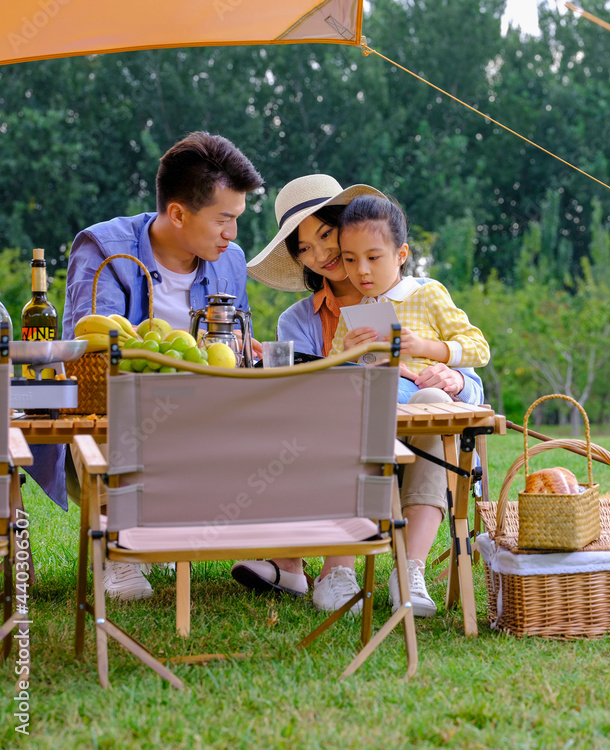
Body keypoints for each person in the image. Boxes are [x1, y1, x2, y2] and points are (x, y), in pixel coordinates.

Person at [236, 174, 486, 618]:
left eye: (327, 237)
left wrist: (445, 372)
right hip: (347, 432)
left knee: (429, 411)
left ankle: (404, 569)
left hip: (418, 430)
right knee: (343, 421)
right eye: (304, 249)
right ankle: (331, 568)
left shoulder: (422, 297)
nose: (324, 256)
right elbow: (315, 388)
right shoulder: (304, 321)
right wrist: (337, 360)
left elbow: (472, 372)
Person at [29, 131, 264, 601]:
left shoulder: (230, 261)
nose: (231, 234)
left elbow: (230, 353)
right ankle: (117, 546)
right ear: (177, 212)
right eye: (223, 220)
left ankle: (274, 548)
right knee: (120, 405)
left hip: (205, 418)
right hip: (115, 419)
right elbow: (91, 359)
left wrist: (242, 350)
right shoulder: (104, 249)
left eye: (236, 219)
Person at [331, 193, 491, 403]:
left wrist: (424, 346)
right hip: (373, 400)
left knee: (429, 397)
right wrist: (347, 356)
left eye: (373, 257)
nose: (361, 270)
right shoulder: (353, 314)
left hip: (423, 397)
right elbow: (329, 377)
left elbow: (479, 349)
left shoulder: (426, 293)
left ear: (401, 255)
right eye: (350, 259)